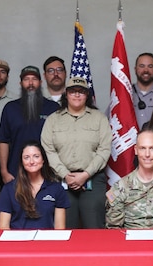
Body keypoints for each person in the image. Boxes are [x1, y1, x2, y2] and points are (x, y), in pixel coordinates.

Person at [41, 76, 111, 229]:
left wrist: (85, 174)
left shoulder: (99, 118)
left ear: (87, 95)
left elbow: (104, 149)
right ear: (66, 94)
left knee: (94, 229)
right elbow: (49, 150)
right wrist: (66, 174)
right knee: (64, 229)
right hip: (61, 180)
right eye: (73, 91)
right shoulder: (53, 120)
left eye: (81, 91)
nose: (77, 95)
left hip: (93, 179)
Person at [0, 66, 59, 184]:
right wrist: (4, 171)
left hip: (47, 173)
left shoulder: (53, 108)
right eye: (26, 79)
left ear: (41, 82)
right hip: (16, 173)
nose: (30, 83)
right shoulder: (10, 108)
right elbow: (3, 142)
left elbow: (60, 142)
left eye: (34, 79)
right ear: (20, 83)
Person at [0, 142, 69, 229]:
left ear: (43, 159)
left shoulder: (56, 188)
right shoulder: (9, 189)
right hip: (17, 241)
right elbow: (3, 227)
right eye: (26, 157)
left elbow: (59, 229)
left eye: (36, 156)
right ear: (22, 162)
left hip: (46, 241)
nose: (31, 161)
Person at [132, 53, 153, 126]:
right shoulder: (125, 92)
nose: (146, 70)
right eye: (142, 66)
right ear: (135, 69)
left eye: (150, 66)